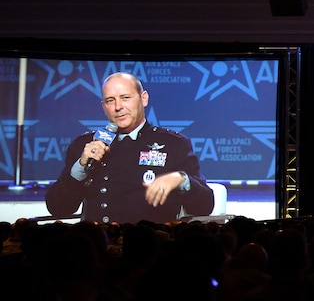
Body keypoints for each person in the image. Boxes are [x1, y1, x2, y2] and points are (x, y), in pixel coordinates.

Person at [45, 71, 214, 224]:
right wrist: (80, 168)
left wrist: (181, 179)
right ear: (103, 106)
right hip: (101, 244)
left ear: (144, 98)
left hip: (153, 246)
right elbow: (58, 208)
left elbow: (205, 206)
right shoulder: (85, 145)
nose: (118, 107)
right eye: (111, 101)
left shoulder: (173, 144)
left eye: (125, 98)